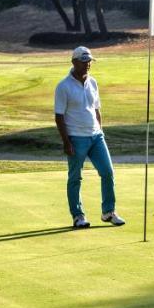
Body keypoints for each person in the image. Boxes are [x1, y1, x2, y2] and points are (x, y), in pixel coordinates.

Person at [54, 46, 125, 228]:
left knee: (108, 172)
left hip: (96, 136)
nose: (87, 65)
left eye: (89, 61)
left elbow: (96, 109)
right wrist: (66, 141)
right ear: (74, 62)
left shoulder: (93, 82)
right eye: (84, 61)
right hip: (76, 138)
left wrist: (100, 131)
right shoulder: (63, 86)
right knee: (75, 178)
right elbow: (59, 116)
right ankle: (78, 216)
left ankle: (108, 212)